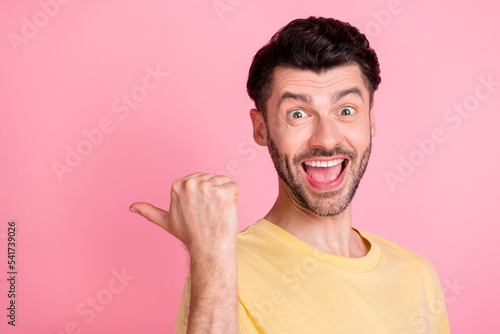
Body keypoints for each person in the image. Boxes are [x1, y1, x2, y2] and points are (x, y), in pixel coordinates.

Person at [130, 16, 450, 333]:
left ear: (371, 120)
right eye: (297, 114)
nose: (326, 138)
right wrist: (210, 257)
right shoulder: (222, 271)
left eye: (346, 111)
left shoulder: (417, 275)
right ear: (261, 128)